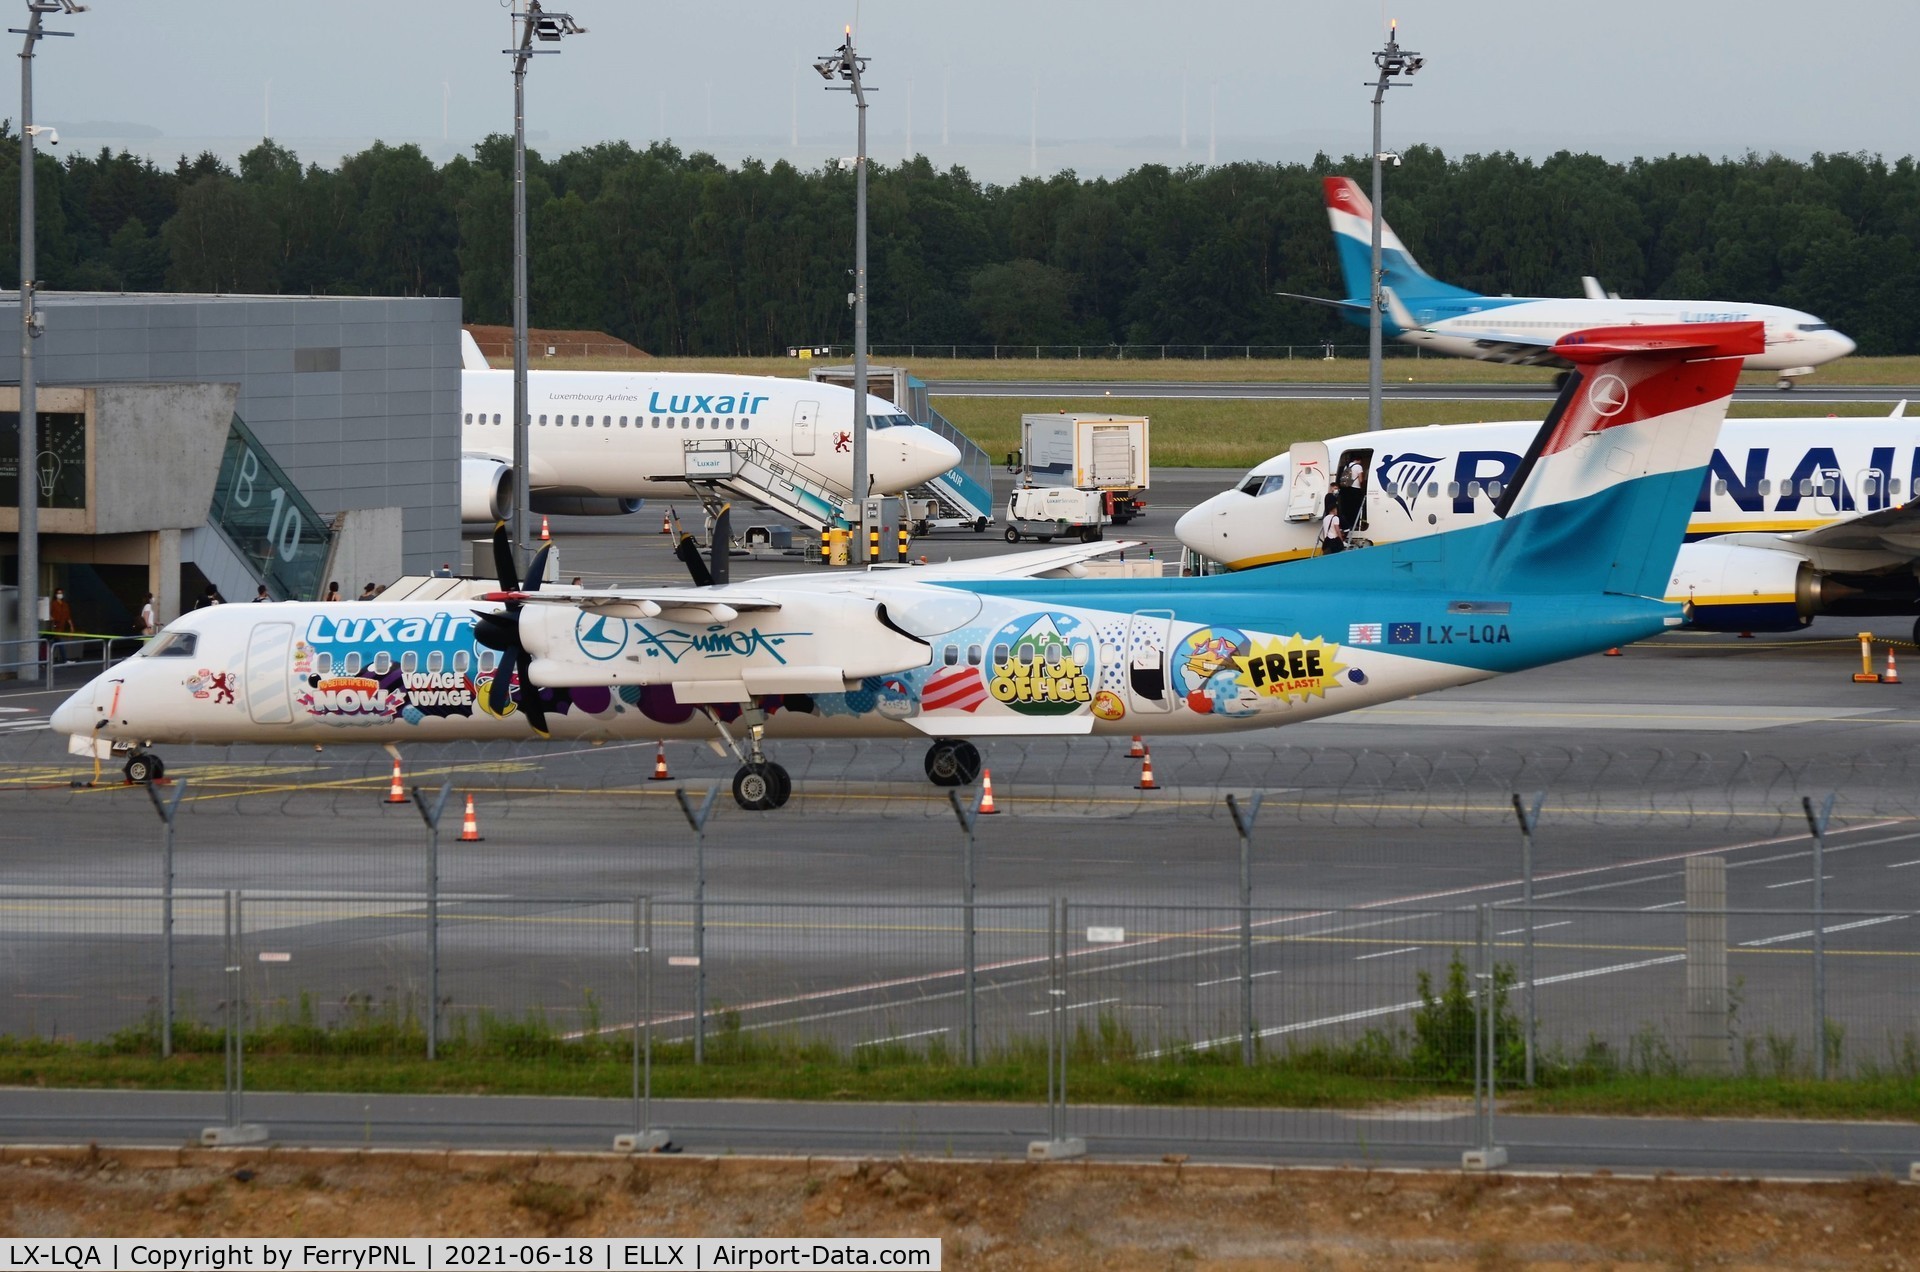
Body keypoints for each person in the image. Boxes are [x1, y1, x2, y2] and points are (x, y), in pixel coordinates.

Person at [47, 587, 75, 662]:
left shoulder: (65, 604)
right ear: (56, 594)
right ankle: (64, 660)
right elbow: (48, 613)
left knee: (54, 644)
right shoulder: (53, 604)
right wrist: (51, 618)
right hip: (54, 627)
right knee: (58, 643)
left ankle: (47, 660)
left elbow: (68, 616)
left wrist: (71, 626)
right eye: (58, 593)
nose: (60, 595)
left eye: (61, 593)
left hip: (61, 627)